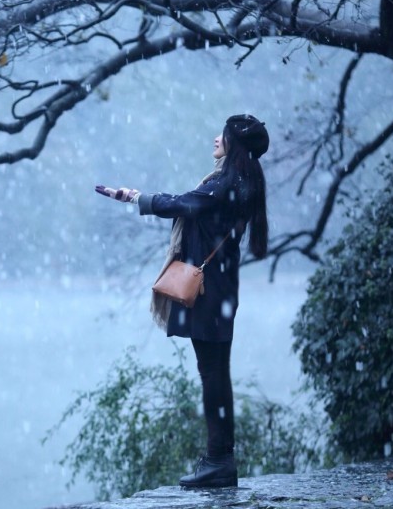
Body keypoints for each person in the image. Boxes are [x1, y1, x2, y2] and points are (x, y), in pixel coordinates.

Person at [94, 114, 269, 489]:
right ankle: (219, 459)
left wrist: (134, 197)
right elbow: (190, 206)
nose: (215, 139)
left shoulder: (225, 185)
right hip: (221, 287)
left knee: (213, 375)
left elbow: (183, 204)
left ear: (233, 142)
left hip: (208, 289)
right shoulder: (245, 181)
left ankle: (219, 461)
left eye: (221, 135)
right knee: (216, 373)